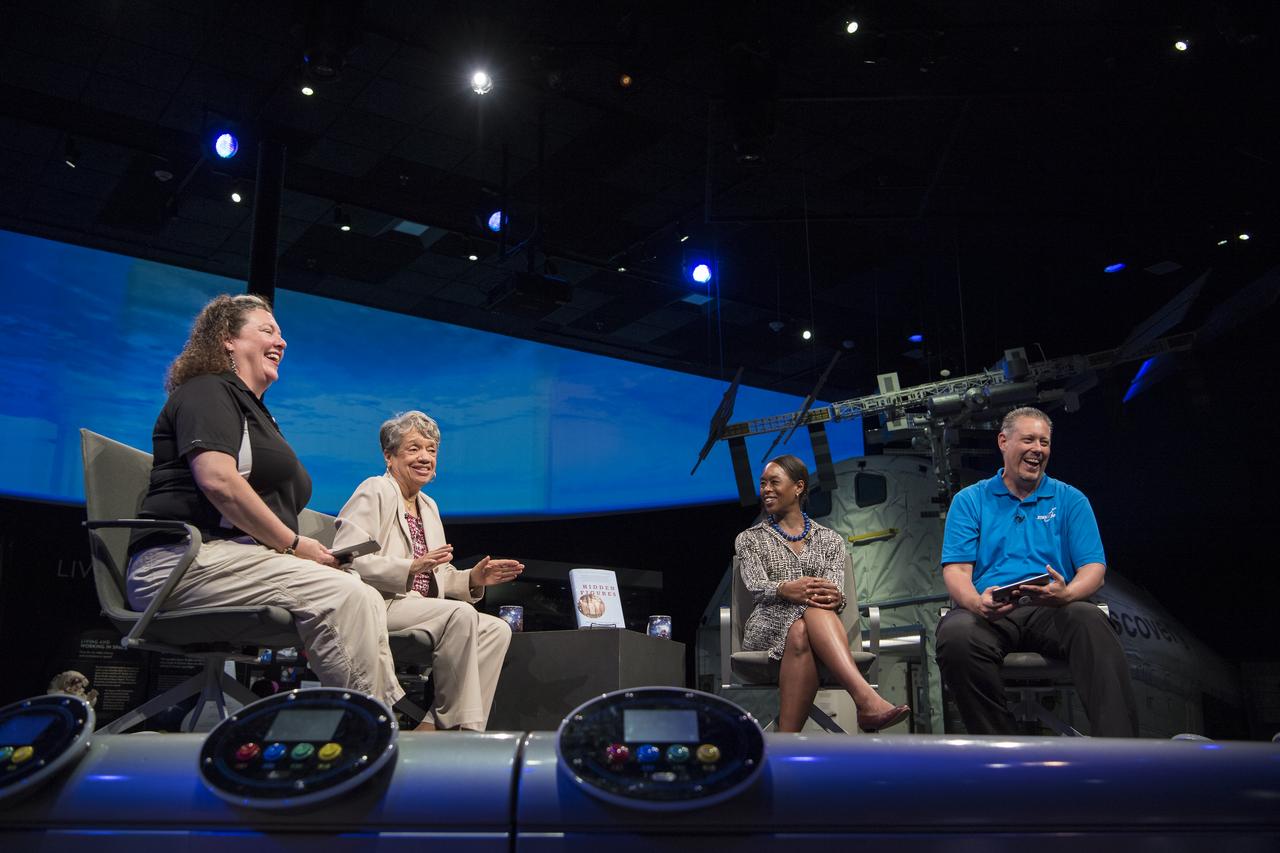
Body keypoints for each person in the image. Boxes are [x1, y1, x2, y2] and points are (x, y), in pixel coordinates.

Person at [126, 294, 404, 711]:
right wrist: (293, 545)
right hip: (179, 563)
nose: (282, 341)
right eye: (267, 330)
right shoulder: (207, 390)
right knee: (347, 596)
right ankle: (366, 727)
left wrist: (305, 552)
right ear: (227, 340)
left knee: (354, 590)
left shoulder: (252, 410)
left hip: (223, 559)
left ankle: (376, 721)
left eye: (281, 333)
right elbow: (218, 480)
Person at [936, 406, 1139, 736]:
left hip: (1051, 609)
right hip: (992, 610)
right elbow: (957, 570)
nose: (1038, 449)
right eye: (1029, 439)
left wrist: (1068, 594)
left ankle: (1122, 753)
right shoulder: (970, 500)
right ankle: (1000, 751)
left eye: (1044, 442)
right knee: (957, 636)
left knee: (1090, 621)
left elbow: (1094, 568)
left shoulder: (1070, 500)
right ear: (1003, 441)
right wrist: (976, 603)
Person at [334, 410, 522, 731]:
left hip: (419, 607)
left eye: (432, 450)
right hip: (381, 603)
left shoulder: (429, 506)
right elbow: (345, 557)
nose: (425, 457)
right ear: (389, 456)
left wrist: (474, 578)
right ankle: (455, 729)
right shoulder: (375, 490)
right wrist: (409, 567)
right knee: (460, 615)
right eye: (414, 448)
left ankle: (436, 721)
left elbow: (440, 574)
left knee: (496, 630)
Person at [736, 454, 910, 733]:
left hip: (813, 630)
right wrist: (786, 589)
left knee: (804, 628)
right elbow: (756, 585)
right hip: (767, 626)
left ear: (798, 487)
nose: (766, 489)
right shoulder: (749, 538)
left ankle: (786, 740)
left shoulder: (830, 540)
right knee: (811, 612)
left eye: (774, 482)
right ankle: (865, 699)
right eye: (763, 483)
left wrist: (835, 597)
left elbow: (833, 589)